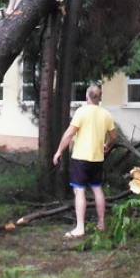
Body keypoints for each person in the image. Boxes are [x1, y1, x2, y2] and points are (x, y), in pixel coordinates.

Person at [53, 84, 117, 238]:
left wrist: (59, 151)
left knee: (79, 191)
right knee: (97, 189)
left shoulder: (81, 112)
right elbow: (114, 137)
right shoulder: (106, 114)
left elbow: (69, 134)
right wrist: (107, 146)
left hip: (80, 158)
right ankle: (101, 223)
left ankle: (80, 228)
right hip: (97, 158)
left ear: (87, 96)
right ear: (99, 98)